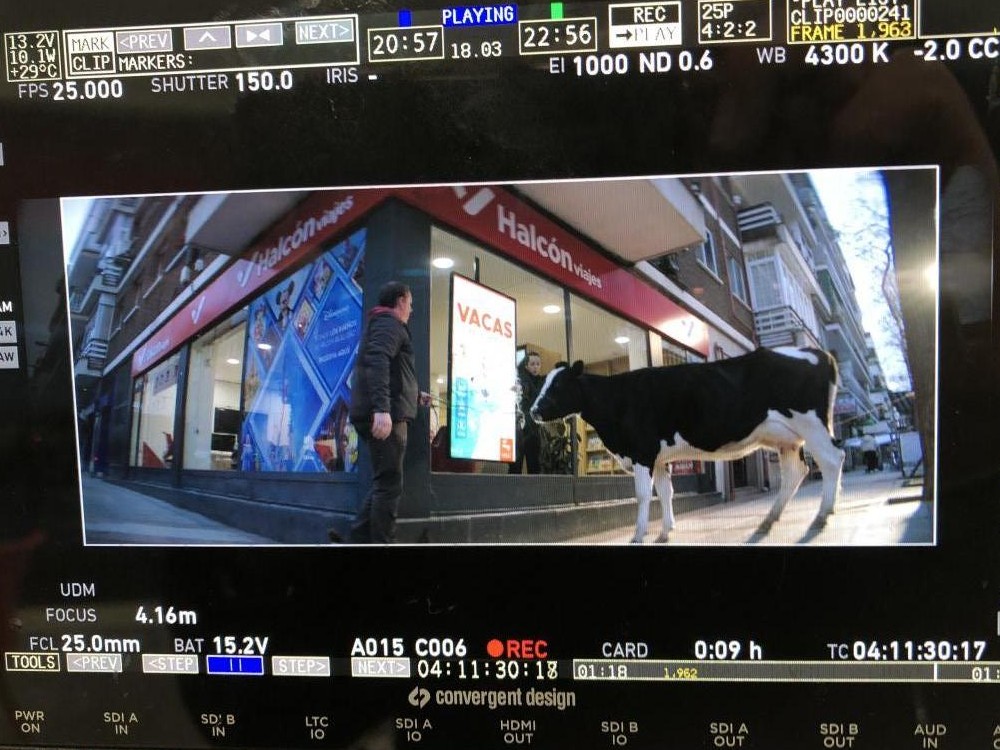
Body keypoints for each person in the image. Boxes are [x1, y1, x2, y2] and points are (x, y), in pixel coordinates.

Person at [341, 281, 430, 543]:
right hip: (383, 414)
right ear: (401, 300)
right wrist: (382, 409)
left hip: (384, 409)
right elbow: (377, 361)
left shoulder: (383, 324)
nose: (411, 309)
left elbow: (392, 371)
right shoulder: (389, 323)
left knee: (384, 481)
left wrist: (414, 395)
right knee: (389, 484)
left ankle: (358, 539)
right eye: (410, 303)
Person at [509, 351, 544, 475]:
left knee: (534, 467)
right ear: (526, 366)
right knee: (515, 468)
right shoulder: (522, 378)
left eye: (538, 364)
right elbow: (524, 387)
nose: (535, 367)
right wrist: (521, 389)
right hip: (520, 431)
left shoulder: (542, 382)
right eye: (532, 364)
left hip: (534, 431)